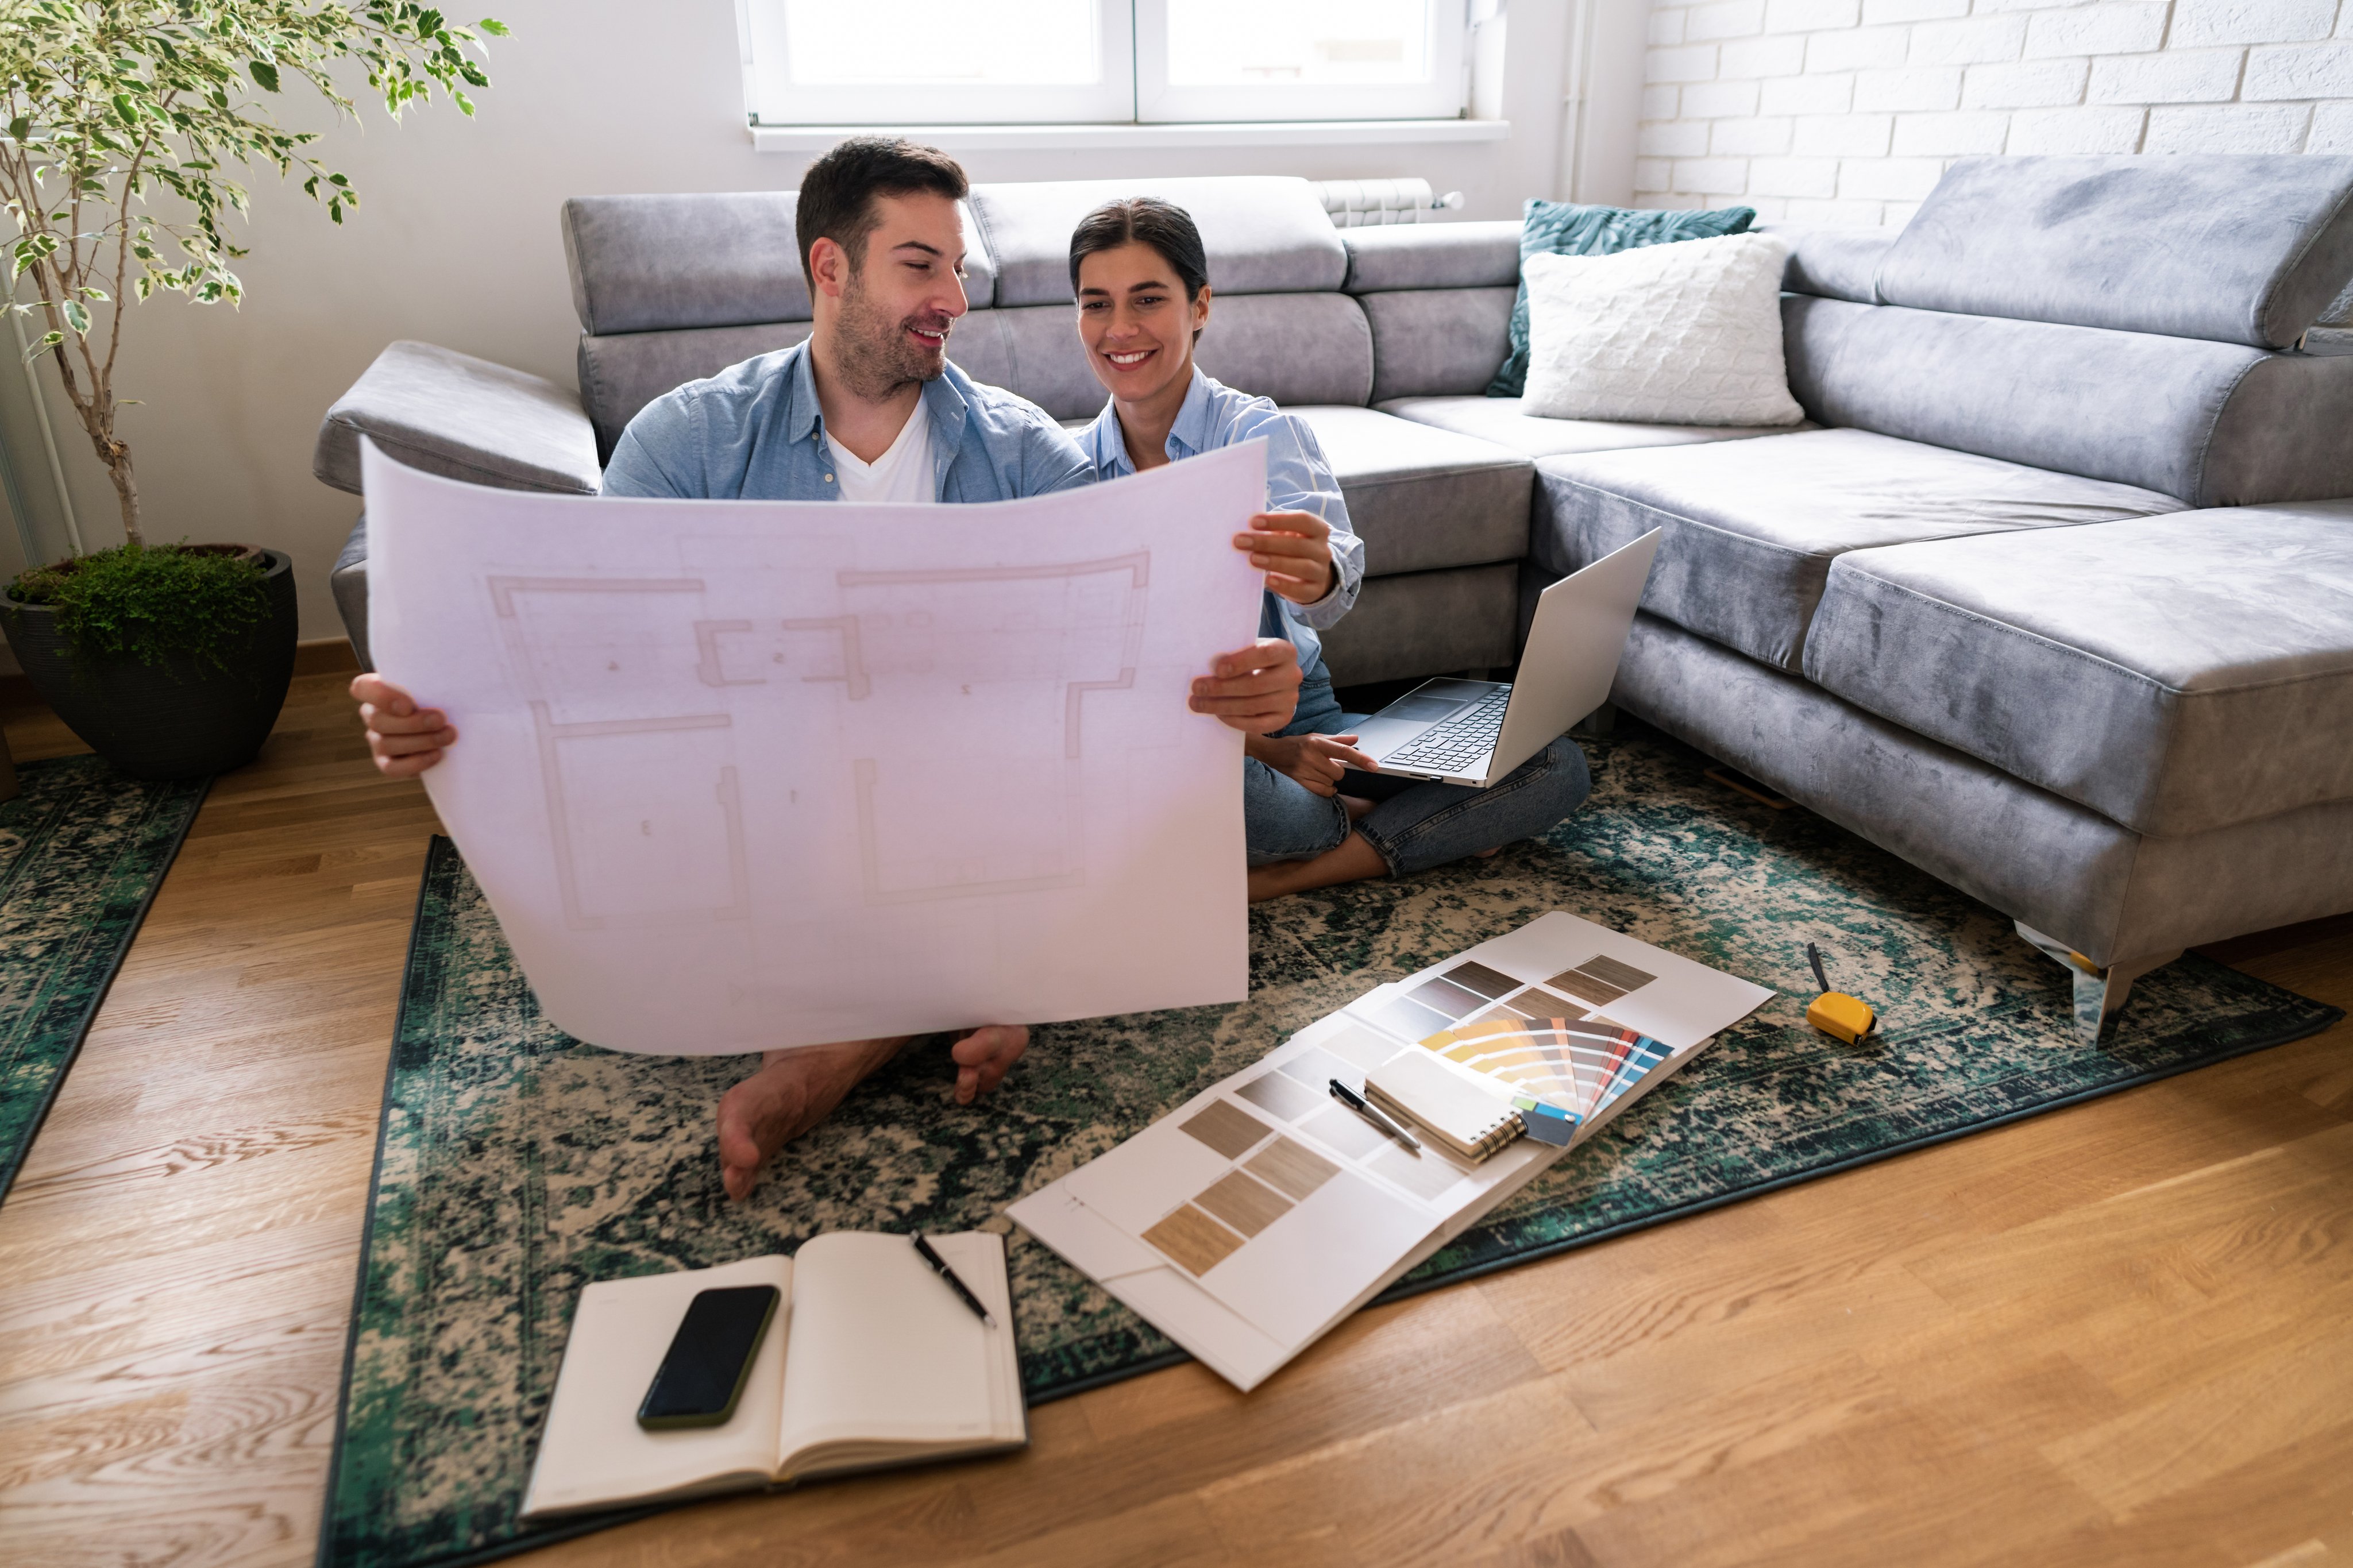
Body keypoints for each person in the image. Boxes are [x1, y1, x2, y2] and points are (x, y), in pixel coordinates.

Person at [352, 138, 1303, 1199]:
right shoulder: (687, 444)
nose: (953, 297)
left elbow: (1133, 659)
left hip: (958, 810)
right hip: (767, 813)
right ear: (831, 268)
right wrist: (441, 713)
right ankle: (956, 990)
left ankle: (848, 1041)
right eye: (920, 265)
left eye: (959, 269)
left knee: (1080, 806)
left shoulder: (1024, 453)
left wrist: (1252, 687)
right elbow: (586, 674)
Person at [1067, 197, 1592, 902]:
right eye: (1095, 303)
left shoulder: (1260, 434)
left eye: (1148, 299)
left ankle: (1304, 863)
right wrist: (1266, 755)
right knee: (1128, 772)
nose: (1120, 328)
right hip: (1182, 741)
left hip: (1307, 720)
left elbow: (1329, 578)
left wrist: (1313, 577)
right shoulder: (1068, 471)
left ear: (1199, 307)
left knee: (1551, 755)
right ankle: (1378, 827)